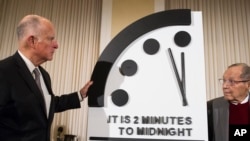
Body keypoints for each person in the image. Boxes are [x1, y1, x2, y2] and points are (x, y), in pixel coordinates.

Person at [0, 15, 93, 141]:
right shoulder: (4, 71)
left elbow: (47, 105)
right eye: (51, 39)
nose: (56, 45)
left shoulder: (43, 75)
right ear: (32, 41)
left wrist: (80, 95)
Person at [207, 63, 250, 141]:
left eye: (232, 81)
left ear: (248, 84)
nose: (224, 86)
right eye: (224, 81)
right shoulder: (210, 108)